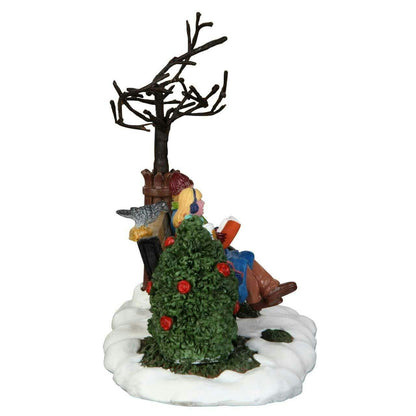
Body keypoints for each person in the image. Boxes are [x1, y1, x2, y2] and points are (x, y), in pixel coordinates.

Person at [168, 172, 297, 310]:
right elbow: (194, 244)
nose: (202, 203)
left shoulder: (195, 217)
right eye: (198, 199)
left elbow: (204, 234)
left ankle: (270, 289)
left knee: (247, 255)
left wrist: (216, 233)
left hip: (216, 251)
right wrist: (213, 238)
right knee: (240, 263)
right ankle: (255, 301)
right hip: (207, 259)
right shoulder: (183, 220)